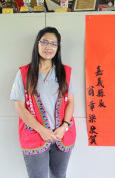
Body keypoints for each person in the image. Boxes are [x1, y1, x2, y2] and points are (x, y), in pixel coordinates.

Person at [10, 27, 76, 178]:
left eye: (54, 44)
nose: (49, 47)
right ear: (37, 44)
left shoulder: (65, 72)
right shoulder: (24, 73)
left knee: (59, 175)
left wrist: (64, 126)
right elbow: (20, 108)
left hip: (62, 135)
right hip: (34, 135)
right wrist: (41, 130)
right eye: (45, 42)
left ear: (58, 48)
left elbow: (71, 102)